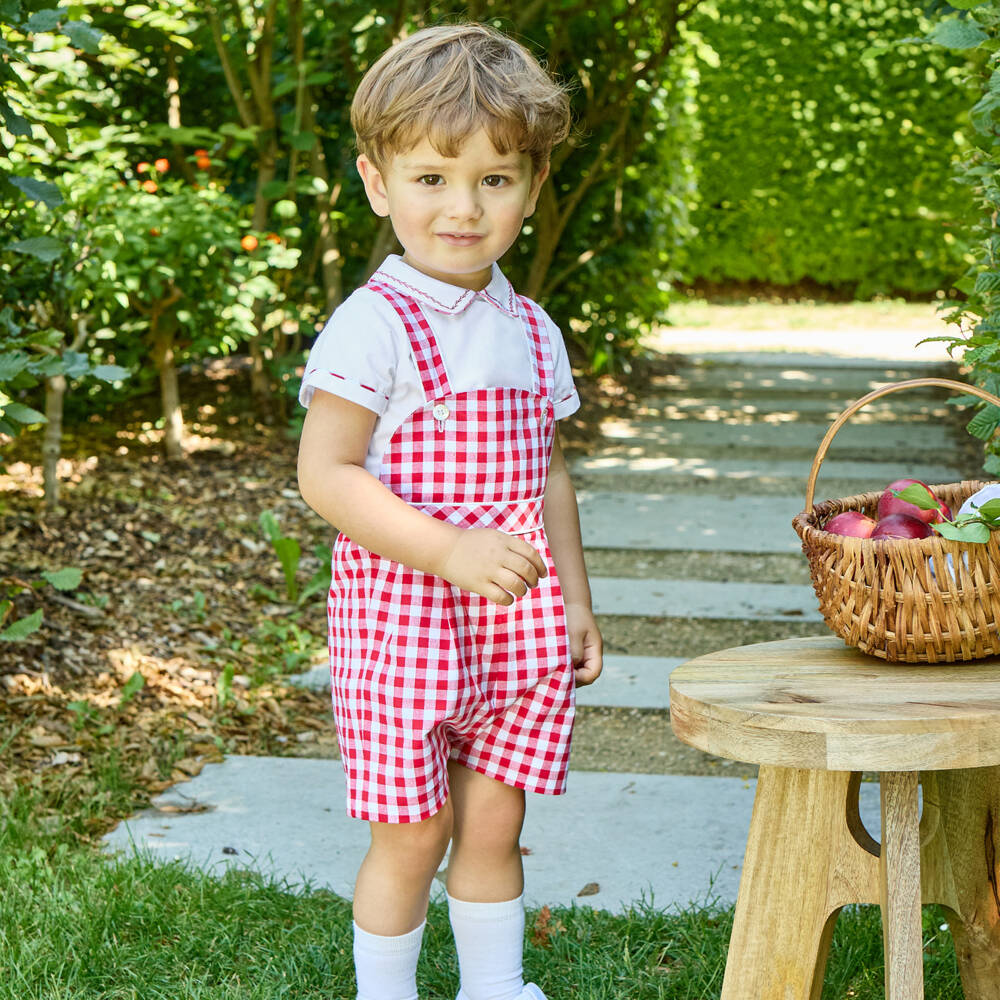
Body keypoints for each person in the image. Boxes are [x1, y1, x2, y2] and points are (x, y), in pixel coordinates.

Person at [297, 22, 602, 1000]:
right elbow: (329, 475)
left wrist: (577, 604)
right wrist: (446, 548)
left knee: (493, 821)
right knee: (417, 827)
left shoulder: (530, 326)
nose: (462, 208)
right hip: (405, 626)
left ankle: (494, 987)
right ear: (378, 183)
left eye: (494, 180)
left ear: (532, 187)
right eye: (431, 178)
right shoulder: (374, 325)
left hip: (514, 626)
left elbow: (546, 473)